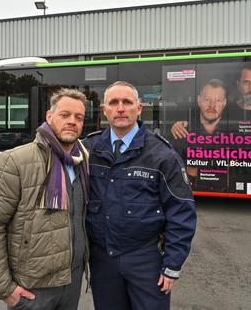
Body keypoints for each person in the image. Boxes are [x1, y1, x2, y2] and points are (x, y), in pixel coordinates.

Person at [84, 81, 197, 310]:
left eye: (127, 102)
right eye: (114, 103)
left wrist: (172, 265)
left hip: (145, 260)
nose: (121, 108)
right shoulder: (89, 149)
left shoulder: (162, 154)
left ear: (139, 108)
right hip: (102, 261)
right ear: (105, 110)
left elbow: (181, 211)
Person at [0, 88, 89, 310]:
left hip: (71, 281)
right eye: (65, 115)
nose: (72, 122)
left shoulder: (83, 161)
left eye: (79, 117)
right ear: (49, 116)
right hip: (33, 289)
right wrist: (5, 289)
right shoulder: (15, 161)